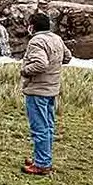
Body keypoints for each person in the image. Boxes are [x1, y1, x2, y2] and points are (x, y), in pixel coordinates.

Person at [20, 12, 72, 175]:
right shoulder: (56, 38)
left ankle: (42, 165)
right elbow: (67, 57)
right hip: (51, 89)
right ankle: (42, 159)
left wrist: (25, 71)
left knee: (39, 127)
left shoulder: (36, 41)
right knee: (48, 126)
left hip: (37, 90)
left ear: (32, 26)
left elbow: (41, 64)